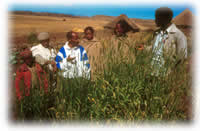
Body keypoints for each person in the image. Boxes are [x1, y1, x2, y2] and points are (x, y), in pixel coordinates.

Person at [149, 7, 188, 76]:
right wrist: (143, 48)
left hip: (166, 76)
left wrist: (172, 77)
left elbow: (182, 59)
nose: (155, 20)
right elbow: (154, 49)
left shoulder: (179, 35)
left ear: (164, 19)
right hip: (152, 73)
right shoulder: (156, 33)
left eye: (157, 17)